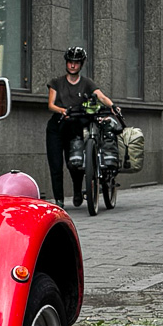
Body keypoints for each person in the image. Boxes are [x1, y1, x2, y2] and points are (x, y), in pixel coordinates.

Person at [46, 46, 115, 207]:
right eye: (70, 62)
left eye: (76, 63)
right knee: (56, 165)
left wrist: (113, 106)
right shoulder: (56, 82)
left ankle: (77, 191)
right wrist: (62, 110)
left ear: (81, 64)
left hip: (74, 127)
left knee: (74, 163)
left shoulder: (87, 83)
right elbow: (50, 104)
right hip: (56, 127)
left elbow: (101, 96)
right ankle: (59, 201)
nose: (72, 65)